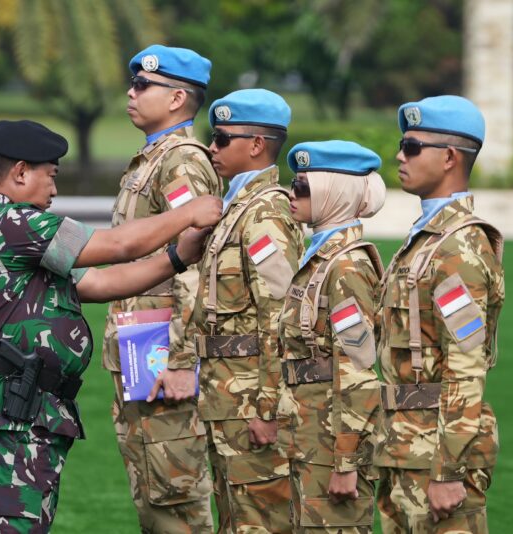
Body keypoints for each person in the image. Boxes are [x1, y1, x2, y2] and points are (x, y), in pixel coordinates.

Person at [0, 119, 222, 533]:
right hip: (10, 409)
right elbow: (117, 247)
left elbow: (98, 282)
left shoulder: (16, 231)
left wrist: (176, 259)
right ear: (21, 172)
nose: (54, 190)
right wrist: (187, 213)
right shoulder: (14, 223)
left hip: (25, 408)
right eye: (51, 177)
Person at [102, 43, 222, 533]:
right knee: (153, 496)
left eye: (143, 85)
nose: (131, 93)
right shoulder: (153, 159)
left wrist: (181, 362)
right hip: (139, 347)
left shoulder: (181, 164)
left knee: (176, 503)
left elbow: (194, 265)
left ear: (177, 99)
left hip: (161, 352)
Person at [174, 89, 303, 533]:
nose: (211, 146)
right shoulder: (237, 208)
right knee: (235, 518)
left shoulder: (266, 213)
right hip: (227, 398)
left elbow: (280, 318)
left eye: (222, 137)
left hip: (250, 401)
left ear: (255, 145)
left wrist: (268, 409)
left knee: (260, 522)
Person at [375, 95, 504, 533]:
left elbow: (465, 366)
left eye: (411, 147)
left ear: (449, 157)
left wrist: (448, 470)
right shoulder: (430, 240)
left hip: (436, 454)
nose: (398, 155)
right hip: (406, 447)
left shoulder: (457, 249)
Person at [277, 141, 386, 533]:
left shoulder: (347, 266)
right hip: (308, 437)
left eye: (303, 186)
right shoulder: (322, 257)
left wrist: (346, 462)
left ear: (333, 192)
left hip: (330, 446)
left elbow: (357, 369)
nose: (292, 194)